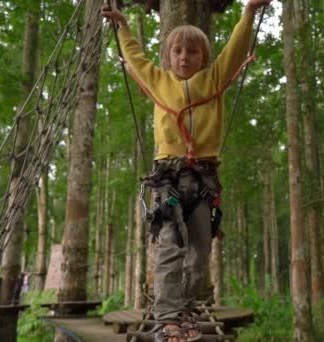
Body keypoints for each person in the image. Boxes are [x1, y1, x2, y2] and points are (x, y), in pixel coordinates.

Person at [101, 1, 271, 341]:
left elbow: (235, 51)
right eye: (177, 51)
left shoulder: (213, 79)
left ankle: (188, 311)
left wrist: (249, 13)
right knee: (169, 247)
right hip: (169, 180)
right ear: (168, 57)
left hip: (203, 180)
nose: (184, 57)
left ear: (203, 58)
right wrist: (122, 26)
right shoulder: (159, 82)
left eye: (192, 52)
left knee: (199, 252)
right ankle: (165, 317)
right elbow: (135, 58)